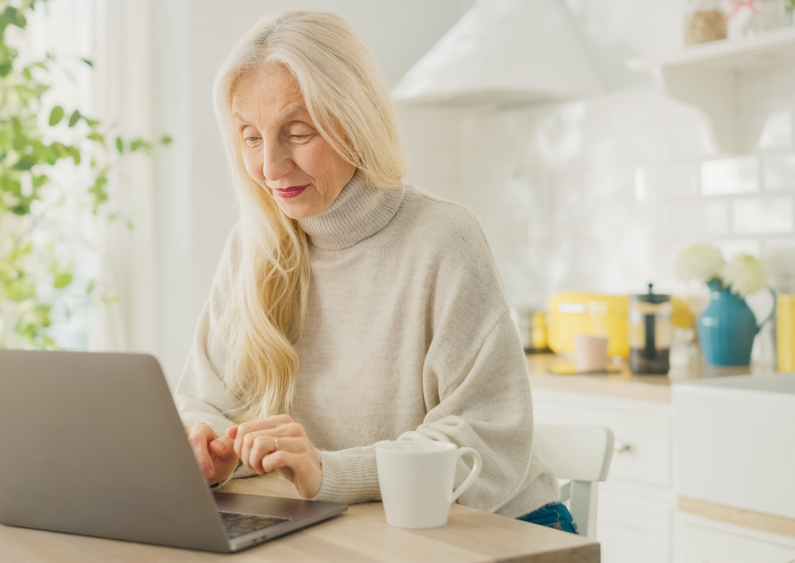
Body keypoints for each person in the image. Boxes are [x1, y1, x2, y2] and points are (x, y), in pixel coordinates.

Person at [175, 10, 574, 533]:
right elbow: (202, 400)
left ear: (355, 119)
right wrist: (215, 448)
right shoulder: (252, 250)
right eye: (251, 138)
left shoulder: (442, 238)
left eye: (297, 132)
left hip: (498, 527)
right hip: (359, 528)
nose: (271, 167)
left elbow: (487, 441)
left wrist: (330, 471)